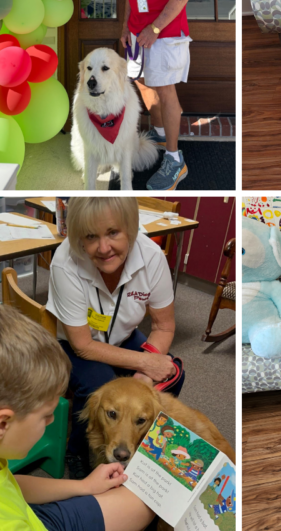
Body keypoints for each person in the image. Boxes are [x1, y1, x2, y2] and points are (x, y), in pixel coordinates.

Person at [45, 198, 178, 478]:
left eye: (113, 232)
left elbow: (164, 326)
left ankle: (143, 443)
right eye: (91, 236)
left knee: (173, 373)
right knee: (99, 387)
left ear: (131, 228)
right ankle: (77, 451)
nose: (104, 248)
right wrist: (145, 363)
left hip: (123, 337)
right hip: (74, 344)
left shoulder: (152, 257)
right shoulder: (65, 262)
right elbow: (83, 346)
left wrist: (144, 378)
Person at [0, 305, 155, 531]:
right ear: (3, 423)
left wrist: (84, 486)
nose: (52, 421)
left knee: (140, 504)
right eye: (46, 416)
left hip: (24, 509)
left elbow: (10, 484)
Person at [120, 0, 193, 190]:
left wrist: (156, 28)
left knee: (165, 91)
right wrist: (126, 27)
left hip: (164, 34)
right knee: (143, 83)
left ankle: (175, 160)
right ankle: (162, 135)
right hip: (137, 33)